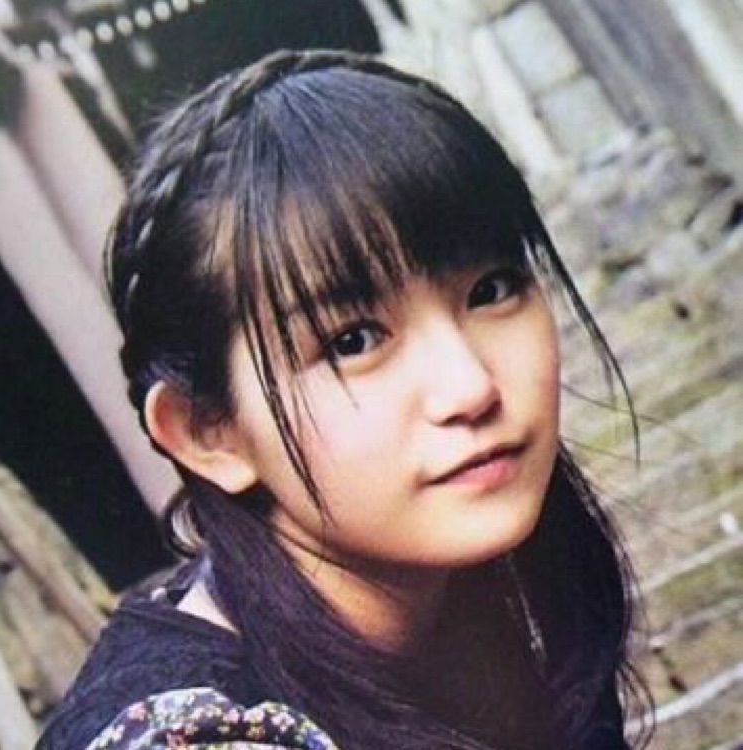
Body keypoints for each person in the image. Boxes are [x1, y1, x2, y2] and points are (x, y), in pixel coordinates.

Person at [36, 48, 651, 750]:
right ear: (209, 431)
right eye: (352, 341)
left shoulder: (455, 600)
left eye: (491, 290)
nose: (472, 388)